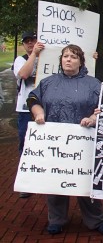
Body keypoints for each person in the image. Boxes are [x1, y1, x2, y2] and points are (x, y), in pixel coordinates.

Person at [27, 44, 103, 236]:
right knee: (56, 179)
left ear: (81, 61)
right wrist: (38, 112)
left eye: (73, 57)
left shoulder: (93, 84)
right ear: (61, 60)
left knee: (86, 181)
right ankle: (56, 219)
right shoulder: (48, 82)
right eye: (65, 56)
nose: (68, 59)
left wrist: (93, 118)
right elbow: (33, 99)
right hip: (54, 142)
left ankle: (97, 219)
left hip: (83, 142)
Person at [13, 31, 45, 198]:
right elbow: (24, 74)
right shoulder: (21, 60)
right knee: (25, 145)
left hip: (46, 108)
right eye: (27, 42)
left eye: (33, 40)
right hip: (26, 110)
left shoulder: (48, 57)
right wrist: (34, 54)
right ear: (24, 45)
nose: (31, 44)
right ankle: (25, 182)